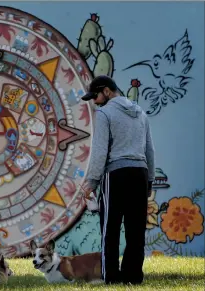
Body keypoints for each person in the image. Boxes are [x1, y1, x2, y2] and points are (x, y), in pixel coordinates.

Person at [80, 75, 155, 285]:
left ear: (106, 91)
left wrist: (92, 181)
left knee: (110, 229)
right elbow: (150, 149)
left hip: (116, 175)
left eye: (95, 96)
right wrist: (149, 180)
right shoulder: (140, 112)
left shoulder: (104, 113)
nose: (94, 101)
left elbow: (99, 150)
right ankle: (133, 277)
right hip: (140, 173)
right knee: (136, 230)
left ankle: (112, 278)